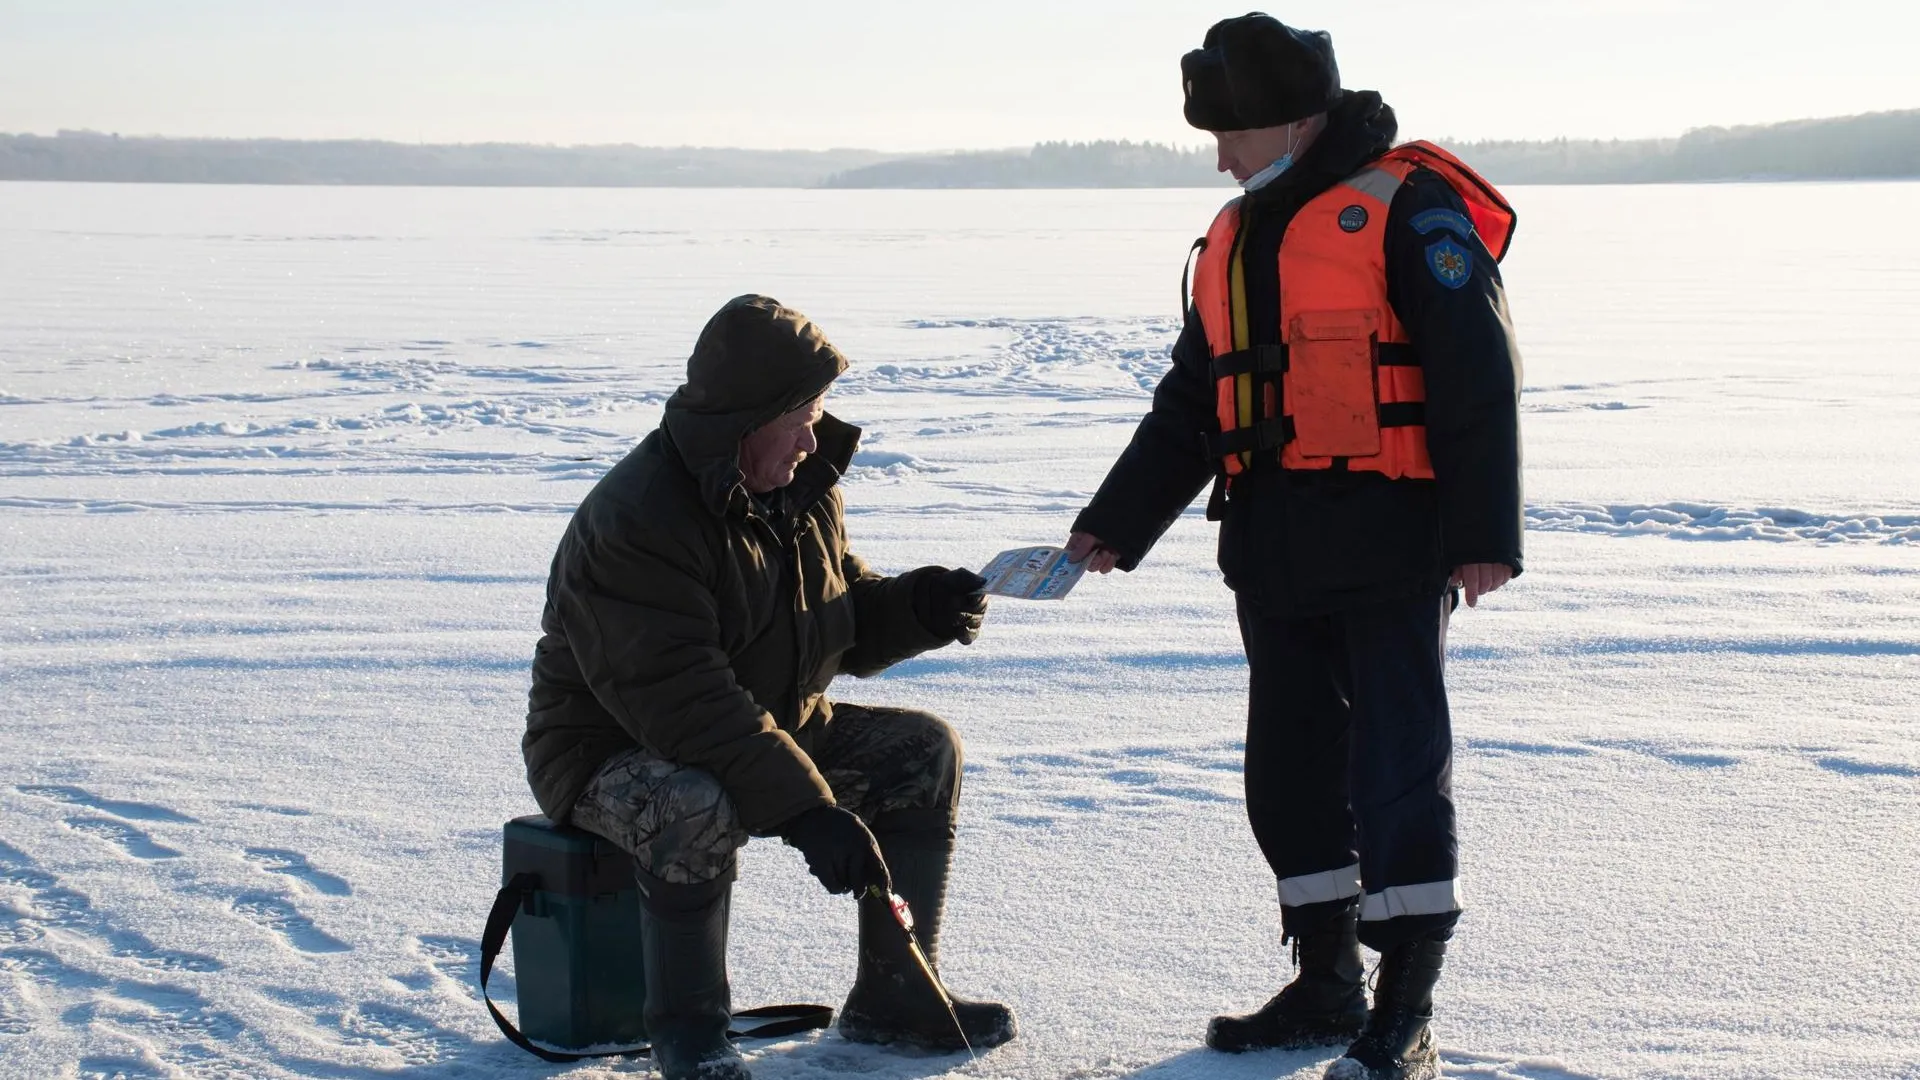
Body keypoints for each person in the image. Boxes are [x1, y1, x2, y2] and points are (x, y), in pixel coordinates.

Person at [1064, 14, 1523, 1080]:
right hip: (1273, 552)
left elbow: (1476, 374)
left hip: (1391, 543)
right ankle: (1325, 984)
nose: (1220, 155)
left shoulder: (1409, 209)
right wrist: (1115, 522)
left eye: (1230, 131)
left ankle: (1404, 1010)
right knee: (1288, 773)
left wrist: (1483, 537)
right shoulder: (1240, 233)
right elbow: (1197, 397)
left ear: (1294, 117)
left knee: (1397, 775)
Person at [522, 294, 1016, 1079]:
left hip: (762, 721)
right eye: (800, 419)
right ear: (743, 422)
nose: (813, 439)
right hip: (610, 749)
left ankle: (894, 995)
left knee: (921, 751)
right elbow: (688, 705)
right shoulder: (637, 522)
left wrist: (917, 608)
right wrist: (809, 811)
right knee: (692, 801)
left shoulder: (796, 485)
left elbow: (831, 614)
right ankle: (692, 1039)